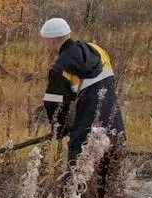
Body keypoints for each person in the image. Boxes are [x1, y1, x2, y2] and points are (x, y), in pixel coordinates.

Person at [40, 17, 125, 166]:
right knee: (109, 177)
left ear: (51, 40)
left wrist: (59, 130)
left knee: (77, 181)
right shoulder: (98, 50)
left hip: (86, 133)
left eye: (45, 40)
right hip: (115, 126)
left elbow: (54, 105)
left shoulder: (59, 68)